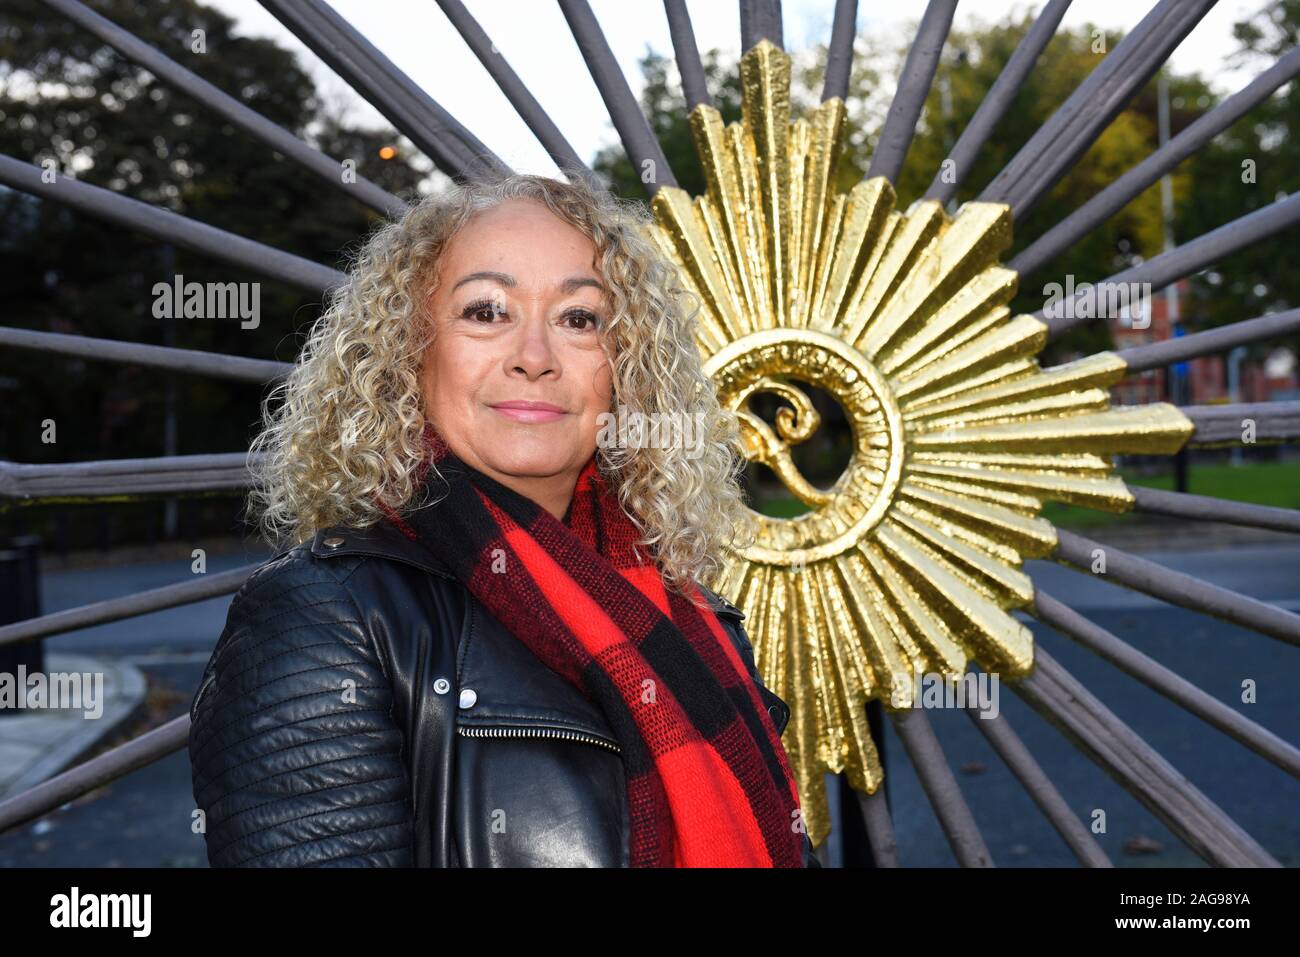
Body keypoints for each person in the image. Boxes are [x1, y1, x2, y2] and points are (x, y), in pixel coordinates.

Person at [188, 169, 818, 867]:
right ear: (408, 350)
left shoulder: (693, 617)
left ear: (626, 368)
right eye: (487, 311)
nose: (534, 358)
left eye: (580, 318)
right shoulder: (322, 617)